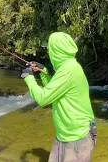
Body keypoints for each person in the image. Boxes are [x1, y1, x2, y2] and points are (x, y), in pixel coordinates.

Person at [21, 32, 97, 162]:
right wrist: (43, 71)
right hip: (65, 134)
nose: (49, 52)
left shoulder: (69, 70)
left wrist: (28, 78)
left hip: (77, 135)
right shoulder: (67, 67)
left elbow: (43, 98)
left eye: (50, 49)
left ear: (57, 50)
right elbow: (54, 91)